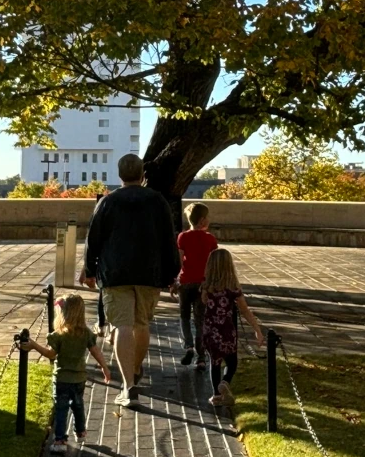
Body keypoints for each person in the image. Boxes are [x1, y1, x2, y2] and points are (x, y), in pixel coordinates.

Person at [81, 153, 180, 408]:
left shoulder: (107, 202)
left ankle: (127, 385)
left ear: (119, 174)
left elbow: (94, 239)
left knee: (121, 326)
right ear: (142, 174)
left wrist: (89, 269)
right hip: (149, 273)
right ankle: (135, 369)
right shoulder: (157, 201)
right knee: (142, 324)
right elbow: (169, 239)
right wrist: (172, 274)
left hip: (115, 274)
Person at [20, 294, 111, 455]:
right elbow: (95, 350)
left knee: (61, 409)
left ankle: (60, 439)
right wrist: (104, 366)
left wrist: (34, 345)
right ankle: (81, 431)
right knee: (78, 405)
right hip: (79, 378)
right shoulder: (86, 334)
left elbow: (50, 354)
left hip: (62, 378)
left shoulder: (59, 335)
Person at [201, 248, 263, 409]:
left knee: (214, 362)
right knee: (232, 361)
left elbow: (203, 303)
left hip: (210, 330)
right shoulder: (233, 288)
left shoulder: (206, 287)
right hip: (227, 330)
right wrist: (257, 329)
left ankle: (216, 395)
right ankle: (225, 381)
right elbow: (244, 310)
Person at [174, 202, 217, 369]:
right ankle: (201, 357)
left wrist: (175, 280)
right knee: (200, 320)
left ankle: (188, 346)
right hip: (202, 284)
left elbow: (179, 261)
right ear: (203, 220)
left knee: (184, 316)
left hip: (185, 282)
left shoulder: (183, 237)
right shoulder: (210, 239)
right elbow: (213, 263)